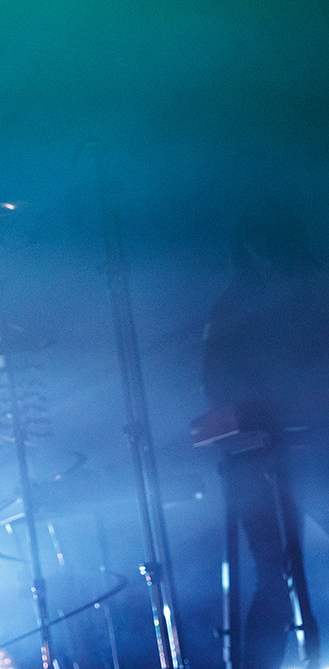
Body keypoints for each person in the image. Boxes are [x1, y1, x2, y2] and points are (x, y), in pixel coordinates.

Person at [203, 205, 329, 669]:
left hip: (316, 445)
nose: (267, 262)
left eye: (274, 251)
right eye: (258, 253)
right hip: (255, 457)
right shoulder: (233, 307)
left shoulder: (318, 291)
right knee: (274, 578)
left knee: (282, 576)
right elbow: (215, 385)